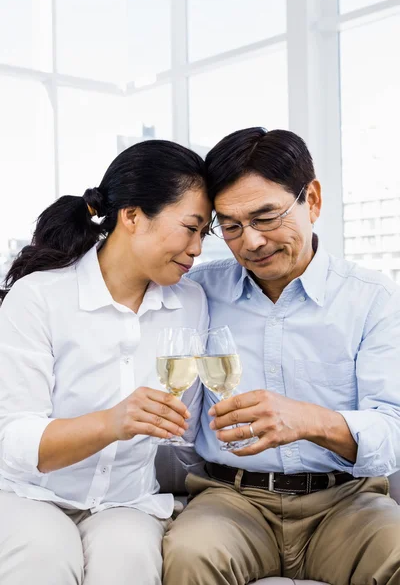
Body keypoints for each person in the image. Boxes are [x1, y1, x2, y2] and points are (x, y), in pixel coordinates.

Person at [163, 127, 400, 585]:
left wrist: (310, 421)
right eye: (230, 226)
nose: (250, 242)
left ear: (311, 199)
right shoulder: (198, 292)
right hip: (231, 500)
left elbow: (393, 430)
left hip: (347, 503)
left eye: (266, 217)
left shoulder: (373, 298)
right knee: (189, 555)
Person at [0, 139, 210, 585]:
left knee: (129, 562)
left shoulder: (190, 302)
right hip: (28, 493)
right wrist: (114, 422)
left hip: (126, 502)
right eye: (189, 228)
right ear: (131, 216)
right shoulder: (39, 296)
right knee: (43, 555)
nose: (196, 249)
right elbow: (14, 439)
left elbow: (184, 428)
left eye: (204, 233)